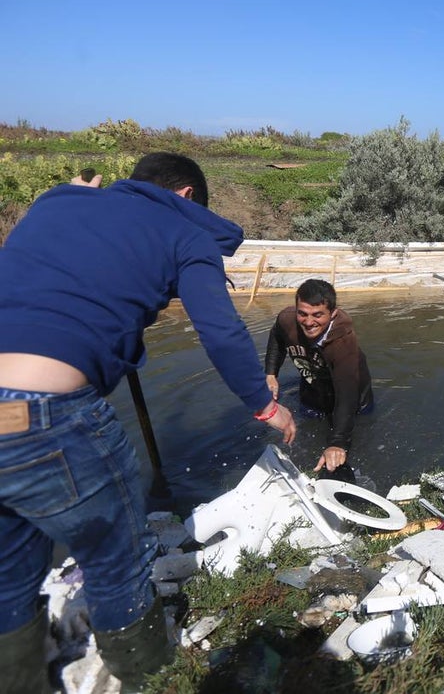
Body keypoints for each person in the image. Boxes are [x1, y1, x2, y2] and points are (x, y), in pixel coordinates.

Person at [0, 152, 295, 693]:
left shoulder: (58, 202)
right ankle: (153, 680)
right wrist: (266, 405)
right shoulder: (186, 234)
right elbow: (222, 332)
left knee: (7, 575)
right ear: (185, 196)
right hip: (48, 414)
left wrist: (63, 195)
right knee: (118, 558)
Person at [264, 279, 373, 483]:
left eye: (318, 315)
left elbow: (347, 395)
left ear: (332, 314)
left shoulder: (343, 342)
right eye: (302, 313)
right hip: (313, 386)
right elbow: (277, 335)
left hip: (352, 392)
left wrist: (338, 443)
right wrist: (271, 373)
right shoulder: (287, 319)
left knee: (355, 432)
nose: (308, 321)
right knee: (310, 427)